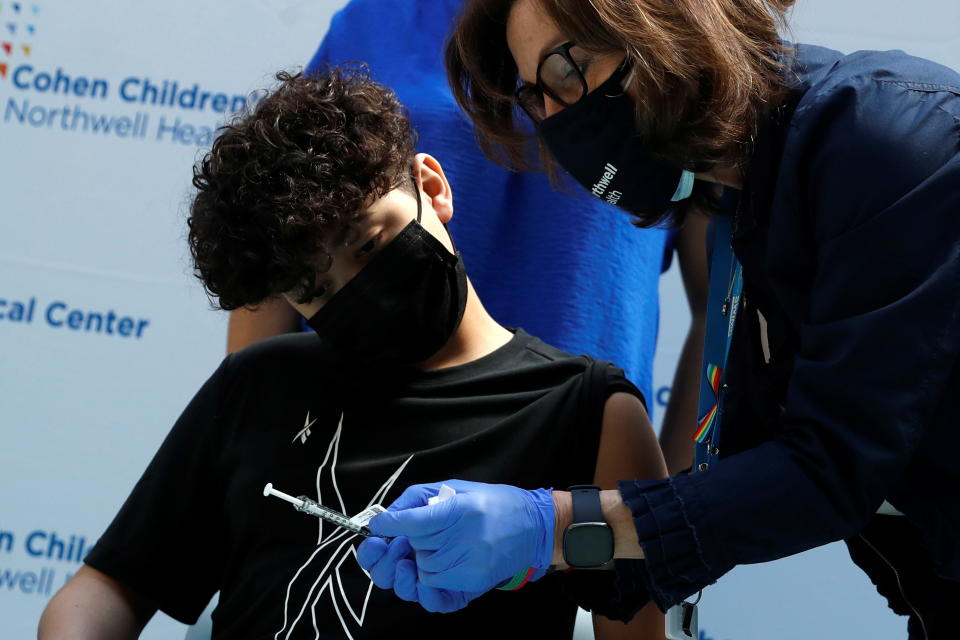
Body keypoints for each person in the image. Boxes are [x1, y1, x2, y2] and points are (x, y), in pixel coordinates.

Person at [356, 1, 960, 638]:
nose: (558, 118)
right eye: (537, 95)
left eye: (570, 67)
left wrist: (542, 529)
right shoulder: (744, 199)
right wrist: (514, 567)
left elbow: (826, 473)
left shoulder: (891, 137)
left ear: (671, 21)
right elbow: (739, 492)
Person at [37, 68, 670, 639]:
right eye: (315, 291)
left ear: (431, 185)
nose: (358, 291)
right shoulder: (261, 383)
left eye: (369, 244)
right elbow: (107, 589)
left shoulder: (590, 410)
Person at [224, 0, 710, 477]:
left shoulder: (657, 17)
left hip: (580, 442)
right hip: (361, 444)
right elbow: (283, 227)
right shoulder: (374, 20)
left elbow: (721, 299)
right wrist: (248, 443)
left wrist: (675, 496)